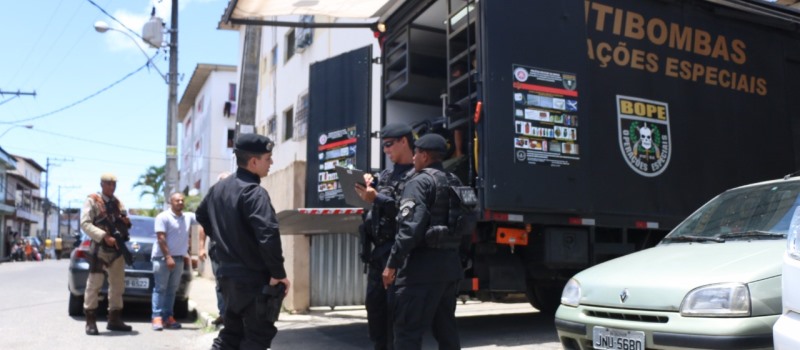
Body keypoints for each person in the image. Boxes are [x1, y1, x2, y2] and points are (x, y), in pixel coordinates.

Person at [196, 133, 291, 350]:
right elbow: (268, 234)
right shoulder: (254, 192)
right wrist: (278, 274)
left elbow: (201, 215)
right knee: (257, 337)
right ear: (254, 161)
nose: (272, 163)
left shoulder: (218, 189)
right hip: (252, 279)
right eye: (268, 158)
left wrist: (223, 241)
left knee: (231, 333)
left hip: (227, 277)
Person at [383, 134, 464, 350]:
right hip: (449, 270)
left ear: (425, 155)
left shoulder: (419, 182)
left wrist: (392, 264)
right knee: (447, 332)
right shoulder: (454, 181)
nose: (414, 158)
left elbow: (410, 227)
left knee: (407, 333)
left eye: (416, 153)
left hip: (419, 272)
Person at [354, 122, 415, 350]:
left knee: (396, 316)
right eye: (384, 146)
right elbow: (377, 198)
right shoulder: (387, 175)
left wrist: (376, 198)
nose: (386, 150)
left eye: (389, 145)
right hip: (377, 255)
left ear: (404, 141)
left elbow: (406, 212)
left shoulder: (416, 175)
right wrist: (369, 186)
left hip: (398, 255)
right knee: (376, 311)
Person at [80, 173, 133, 335]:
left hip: (117, 250)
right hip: (99, 249)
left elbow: (125, 221)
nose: (111, 187)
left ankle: (114, 319)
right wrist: (104, 236)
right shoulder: (92, 201)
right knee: (94, 285)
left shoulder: (118, 203)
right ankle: (90, 321)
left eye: (114, 184)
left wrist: (125, 223)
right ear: (102, 184)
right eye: (108, 184)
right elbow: (85, 223)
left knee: (118, 285)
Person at [151, 192, 200, 330]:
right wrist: (168, 257)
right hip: (162, 258)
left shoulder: (188, 216)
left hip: (178, 258)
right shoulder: (163, 217)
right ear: (170, 202)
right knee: (160, 289)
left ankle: (168, 317)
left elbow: (204, 218)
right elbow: (161, 238)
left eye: (182, 200)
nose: (180, 202)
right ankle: (157, 317)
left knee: (172, 290)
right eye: (177, 200)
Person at [198, 171, 230, 327]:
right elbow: (203, 225)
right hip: (217, 248)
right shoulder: (212, 202)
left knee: (235, 282)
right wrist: (201, 248)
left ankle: (234, 316)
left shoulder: (237, 198)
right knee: (220, 282)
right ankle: (223, 314)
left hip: (234, 249)